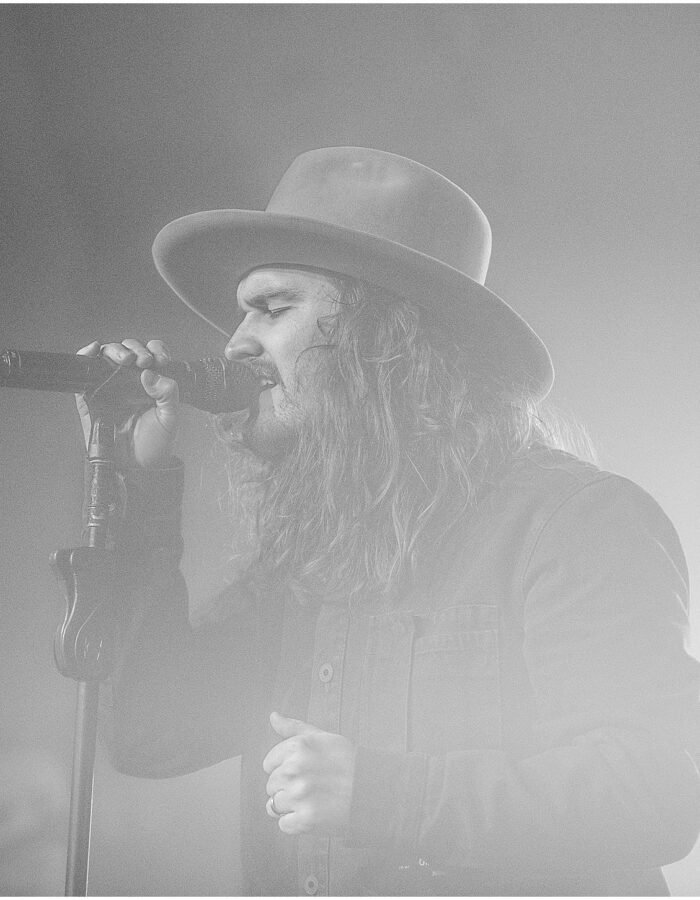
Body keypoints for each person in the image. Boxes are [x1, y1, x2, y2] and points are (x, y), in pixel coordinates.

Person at [79, 147, 700, 895]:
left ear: (386, 337)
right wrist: (136, 486)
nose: (234, 343)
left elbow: (653, 791)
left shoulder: (577, 521)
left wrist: (388, 798)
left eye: (273, 308)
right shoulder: (314, 551)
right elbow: (151, 734)